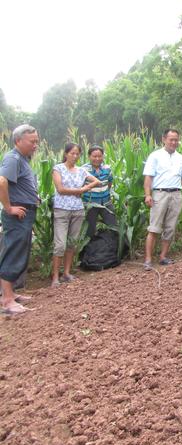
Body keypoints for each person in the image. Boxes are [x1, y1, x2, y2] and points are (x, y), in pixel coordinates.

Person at [0, 125, 39, 314]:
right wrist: (8, 208)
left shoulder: (22, 159)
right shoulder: (13, 158)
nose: (35, 145)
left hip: (25, 213)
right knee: (13, 252)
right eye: (32, 142)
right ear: (18, 141)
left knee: (19, 251)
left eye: (36, 141)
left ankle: (11, 293)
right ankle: (7, 300)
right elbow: (1, 181)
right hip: (17, 214)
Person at [51, 143, 101, 286]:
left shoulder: (81, 170)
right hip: (61, 209)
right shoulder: (58, 168)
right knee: (60, 244)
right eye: (72, 153)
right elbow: (60, 189)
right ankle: (55, 276)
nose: (75, 156)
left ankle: (66, 273)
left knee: (72, 243)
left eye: (77, 153)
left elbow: (96, 181)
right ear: (66, 154)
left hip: (77, 210)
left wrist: (86, 187)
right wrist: (80, 191)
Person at [143, 129, 182, 270]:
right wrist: (148, 195)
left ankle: (163, 257)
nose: (174, 142)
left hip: (176, 195)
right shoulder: (155, 156)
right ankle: (148, 260)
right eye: (171, 139)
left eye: (176, 140)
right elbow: (148, 177)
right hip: (159, 194)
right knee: (154, 228)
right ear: (164, 139)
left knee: (170, 228)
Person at [82, 145, 117, 238]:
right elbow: (80, 186)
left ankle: (114, 247)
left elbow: (109, 182)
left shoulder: (107, 169)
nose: (97, 158)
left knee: (113, 225)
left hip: (106, 202)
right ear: (89, 156)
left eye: (100, 156)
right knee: (89, 229)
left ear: (103, 156)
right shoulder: (83, 170)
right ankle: (88, 250)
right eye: (94, 156)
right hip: (90, 204)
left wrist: (106, 194)